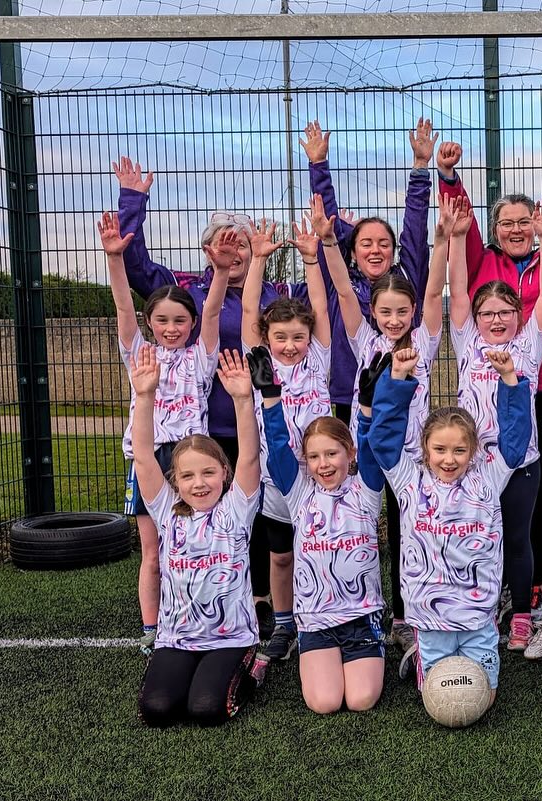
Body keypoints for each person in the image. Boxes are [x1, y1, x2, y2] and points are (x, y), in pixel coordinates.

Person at [113, 157, 304, 636]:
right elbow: (132, 269)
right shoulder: (184, 292)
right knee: (199, 522)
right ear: (206, 249)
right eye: (223, 243)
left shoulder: (277, 291)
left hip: (256, 420)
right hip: (203, 436)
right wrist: (132, 201)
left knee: (258, 517)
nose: (233, 251)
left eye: (240, 242)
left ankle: (262, 601)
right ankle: (190, 611)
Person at [437, 131, 542, 630]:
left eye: (523, 222)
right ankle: (490, 594)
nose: (514, 229)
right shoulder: (484, 266)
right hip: (490, 418)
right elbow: (457, 247)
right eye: (505, 222)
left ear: (535, 225)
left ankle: (540, 588)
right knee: (488, 516)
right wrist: (447, 179)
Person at [365, 345, 532, 708]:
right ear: (425, 449)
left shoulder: (488, 478)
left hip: (477, 613)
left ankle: (440, 659)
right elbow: (381, 441)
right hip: (430, 613)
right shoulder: (409, 480)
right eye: (439, 449)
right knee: (437, 699)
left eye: (459, 450)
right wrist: (397, 380)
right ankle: (422, 656)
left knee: (482, 698)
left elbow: (516, 442)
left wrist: (509, 381)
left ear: (473, 451)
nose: (449, 459)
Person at [98, 211, 226, 656]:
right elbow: (121, 308)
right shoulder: (139, 353)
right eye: (163, 320)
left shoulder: (201, 358)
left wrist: (223, 270)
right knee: (153, 550)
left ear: (190, 326)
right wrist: (115, 260)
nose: (171, 328)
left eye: (180, 321)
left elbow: (212, 311)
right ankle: (153, 630)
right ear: (151, 322)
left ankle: (201, 618)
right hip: (150, 460)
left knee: (197, 543)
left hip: (190, 462)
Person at [447, 192, 542, 652]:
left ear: (518, 315)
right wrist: (455, 240)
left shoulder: (530, 343)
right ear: (476, 319)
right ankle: (484, 606)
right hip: (473, 462)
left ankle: (521, 615)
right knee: (478, 536)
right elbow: (456, 290)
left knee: (516, 537)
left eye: (505, 313)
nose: (496, 320)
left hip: (520, 462)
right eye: (488, 313)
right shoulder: (467, 339)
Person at [254, 341, 386, 714]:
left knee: (360, 700)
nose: (323, 464)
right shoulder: (299, 494)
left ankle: (366, 650)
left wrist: (366, 408)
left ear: (349, 454)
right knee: (325, 703)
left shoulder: (366, 491)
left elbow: (372, 447)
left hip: (360, 617)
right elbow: (278, 449)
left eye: (332, 453)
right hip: (315, 620)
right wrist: (270, 398)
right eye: (314, 456)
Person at [133, 348, 262, 727]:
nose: (199, 483)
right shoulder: (167, 511)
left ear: (224, 472)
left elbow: (251, 459)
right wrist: (144, 397)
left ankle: (250, 666)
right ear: (175, 481)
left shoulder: (236, 509)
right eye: (188, 476)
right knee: (156, 710)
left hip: (230, 637)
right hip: (177, 638)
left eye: (208, 473)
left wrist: (242, 399)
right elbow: (143, 457)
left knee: (205, 710)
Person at [239, 218, 334, 662]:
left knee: (321, 550)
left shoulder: (318, 359)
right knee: (281, 558)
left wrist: (312, 259)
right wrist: (257, 259)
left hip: (321, 479)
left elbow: (318, 300)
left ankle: (324, 615)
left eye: (298, 336)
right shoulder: (257, 359)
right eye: (281, 337)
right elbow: (246, 312)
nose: (291, 345)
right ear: (267, 338)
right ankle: (283, 622)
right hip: (278, 483)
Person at [300, 118, 435, 426]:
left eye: (384, 244)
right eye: (366, 244)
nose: (376, 250)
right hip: (350, 397)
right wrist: (318, 165)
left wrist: (420, 168)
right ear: (354, 250)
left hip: (406, 394)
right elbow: (328, 230)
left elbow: (415, 230)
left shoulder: (406, 281)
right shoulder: (341, 284)